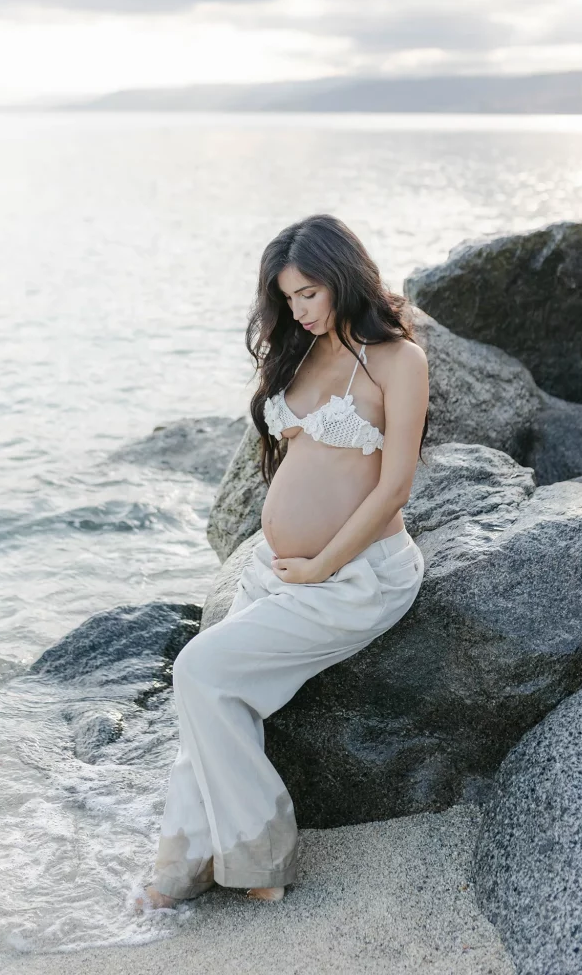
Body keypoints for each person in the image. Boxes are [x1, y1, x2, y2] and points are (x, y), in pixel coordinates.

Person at [137, 213, 429, 911]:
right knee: (209, 697)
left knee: (198, 670)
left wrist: (324, 562)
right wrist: (293, 555)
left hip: (360, 576)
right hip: (280, 568)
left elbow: (395, 486)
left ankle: (261, 855)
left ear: (345, 276)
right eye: (287, 298)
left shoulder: (398, 361)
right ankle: (185, 864)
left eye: (309, 293)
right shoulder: (302, 352)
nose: (298, 311)